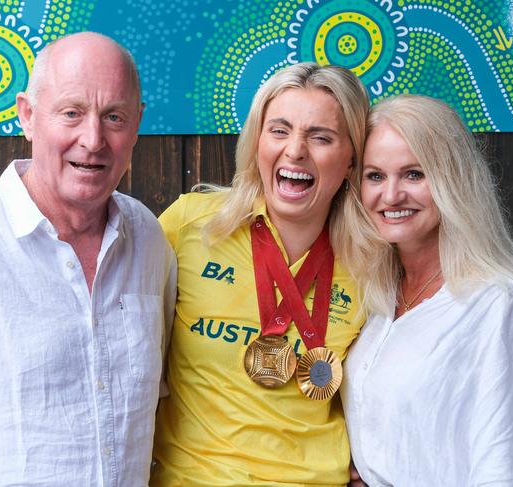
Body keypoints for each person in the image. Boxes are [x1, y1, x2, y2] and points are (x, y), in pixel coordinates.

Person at [0, 32, 176, 486]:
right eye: (72, 113)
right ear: (28, 115)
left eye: (114, 117)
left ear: (137, 124)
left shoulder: (149, 239)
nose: (93, 139)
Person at [150, 63, 370, 486]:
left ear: (351, 159)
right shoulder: (190, 226)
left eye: (320, 137)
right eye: (279, 130)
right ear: (256, 143)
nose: (295, 151)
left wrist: (379, 455)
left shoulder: (373, 261)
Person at [341, 94, 513, 486]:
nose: (392, 194)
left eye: (414, 174)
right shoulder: (375, 298)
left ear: (453, 180)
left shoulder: (498, 305)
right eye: (375, 175)